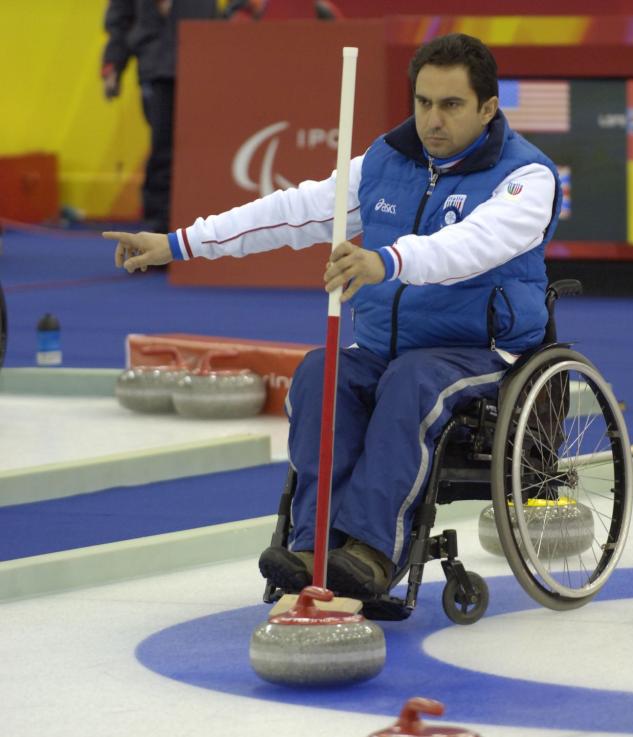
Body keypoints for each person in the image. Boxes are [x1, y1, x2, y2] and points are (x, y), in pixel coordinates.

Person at [103, 33, 561, 599]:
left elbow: (474, 245)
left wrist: (386, 260)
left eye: (451, 105)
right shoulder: (386, 161)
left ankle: (370, 551)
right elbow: (291, 213)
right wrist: (179, 244)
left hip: (478, 348)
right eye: (422, 102)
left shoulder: (528, 178)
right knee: (322, 372)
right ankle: (310, 545)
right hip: (382, 345)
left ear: (488, 108)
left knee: (410, 383)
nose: (432, 120)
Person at [101, 0, 266, 233]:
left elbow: (244, 7)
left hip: (205, 61)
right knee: (163, 153)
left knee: (206, 153)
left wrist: (232, 23)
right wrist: (113, 64)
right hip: (156, 67)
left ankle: (206, 232)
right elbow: (120, 18)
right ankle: (157, 233)